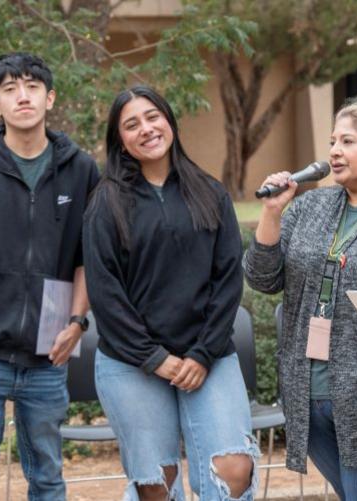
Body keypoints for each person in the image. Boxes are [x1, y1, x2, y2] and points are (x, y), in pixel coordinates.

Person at [244, 101, 357, 500]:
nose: (334, 151)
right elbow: (262, 278)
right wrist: (273, 213)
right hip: (309, 395)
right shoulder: (309, 207)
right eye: (332, 141)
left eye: (348, 141)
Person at [0, 52, 100, 500]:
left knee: (47, 479)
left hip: (49, 353)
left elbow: (87, 255)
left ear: (50, 98)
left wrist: (76, 323)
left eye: (31, 86)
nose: (21, 96)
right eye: (9, 88)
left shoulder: (81, 169)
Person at [84, 85, 258, 501]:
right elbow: (106, 295)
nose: (146, 129)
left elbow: (227, 280)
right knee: (155, 485)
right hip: (132, 362)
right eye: (132, 124)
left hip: (208, 357)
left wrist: (201, 354)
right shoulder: (105, 203)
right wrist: (155, 358)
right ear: (120, 141)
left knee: (233, 469)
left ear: (169, 122)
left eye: (153, 117)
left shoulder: (210, 192)